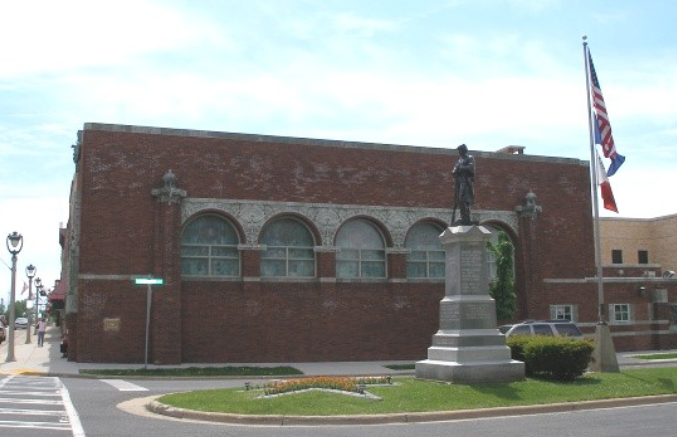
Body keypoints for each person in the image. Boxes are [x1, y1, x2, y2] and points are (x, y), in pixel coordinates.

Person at [452, 144, 475, 225]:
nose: (458, 152)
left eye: (459, 150)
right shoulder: (459, 160)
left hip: (466, 181)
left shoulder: (470, 158)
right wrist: (456, 171)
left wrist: (461, 168)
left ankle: (466, 217)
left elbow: (471, 169)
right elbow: (454, 170)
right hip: (459, 181)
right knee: (459, 199)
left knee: (463, 198)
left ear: (463, 150)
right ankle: (463, 216)